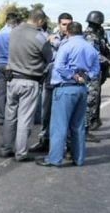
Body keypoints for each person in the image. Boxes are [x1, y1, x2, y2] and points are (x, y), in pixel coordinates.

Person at [36, 22, 100, 167]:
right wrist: (85, 76)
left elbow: (59, 66)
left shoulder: (66, 46)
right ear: (81, 32)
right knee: (78, 126)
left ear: (68, 32)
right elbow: (96, 70)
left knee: (59, 126)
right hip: (82, 89)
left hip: (65, 88)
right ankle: (79, 158)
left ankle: (54, 159)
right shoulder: (91, 48)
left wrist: (73, 75)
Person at [0, 8, 52, 162]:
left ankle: (6, 148)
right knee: (25, 118)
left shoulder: (14, 31)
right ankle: (21, 153)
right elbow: (49, 57)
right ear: (40, 21)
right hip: (29, 81)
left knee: (10, 117)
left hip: (12, 80)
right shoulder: (39, 37)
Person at [30, 13, 73, 153]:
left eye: (69, 24)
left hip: (66, 82)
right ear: (59, 24)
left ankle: (67, 145)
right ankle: (45, 140)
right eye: (64, 24)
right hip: (49, 80)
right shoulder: (50, 37)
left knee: (65, 114)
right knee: (46, 112)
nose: (66, 27)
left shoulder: (74, 39)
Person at [83, 10, 110, 135]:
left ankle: (94, 120)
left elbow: (105, 49)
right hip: (90, 73)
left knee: (95, 98)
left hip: (97, 71)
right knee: (90, 100)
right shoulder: (90, 36)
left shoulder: (98, 34)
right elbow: (94, 54)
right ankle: (86, 128)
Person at [0, 12, 20, 124]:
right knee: (13, 92)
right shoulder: (16, 35)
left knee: (1, 93)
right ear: (15, 23)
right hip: (12, 66)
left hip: (0, 65)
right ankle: (11, 116)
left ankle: (1, 117)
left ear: (6, 21)